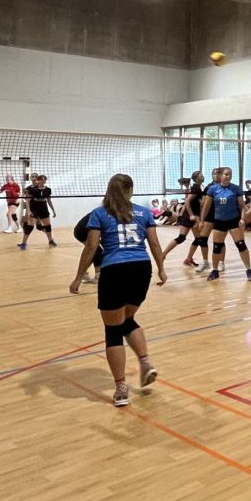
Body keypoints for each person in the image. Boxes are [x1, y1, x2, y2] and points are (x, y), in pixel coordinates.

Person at [69, 173, 167, 407]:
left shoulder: (99, 214)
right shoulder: (144, 213)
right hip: (141, 269)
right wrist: (162, 269)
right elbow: (154, 243)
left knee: (113, 330)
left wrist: (78, 277)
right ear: (130, 190)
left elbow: (91, 246)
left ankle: (121, 389)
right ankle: (145, 362)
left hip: (115, 270)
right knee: (127, 320)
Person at [201, 167, 251, 281]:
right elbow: (206, 207)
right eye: (226, 174)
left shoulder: (236, 189)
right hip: (219, 221)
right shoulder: (213, 189)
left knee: (241, 245)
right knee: (217, 247)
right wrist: (201, 221)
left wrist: (243, 219)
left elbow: (242, 206)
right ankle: (215, 271)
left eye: (230, 174)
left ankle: (249, 270)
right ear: (220, 176)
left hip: (233, 220)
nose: (228, 176)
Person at [178, 172, 210, 270]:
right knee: (181, 238)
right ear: (196, 178)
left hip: (195, 216)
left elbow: (196, 202)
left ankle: (188, 259)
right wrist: (191, 215)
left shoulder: (198, 187)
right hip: (192, 217)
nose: (203, 176)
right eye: (201, 175)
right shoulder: (196, 188)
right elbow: (187, 201)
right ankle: (163, 254)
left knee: (197, 239)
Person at [19, 174, 57, 248]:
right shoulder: (32, 189)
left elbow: (49, 200)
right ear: (38, 180)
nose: (42, 181)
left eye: (44, 179)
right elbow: (27, 201)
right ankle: (24, 243)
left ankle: (51, 241)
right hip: (34, 209)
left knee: (47, 226)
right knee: (29, 226)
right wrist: (28, 211)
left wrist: (53, 210)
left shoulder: (48, 190)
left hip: (43, 209)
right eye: (41, 179)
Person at [72, 210, 103, 286]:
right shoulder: (105, 214)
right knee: (96, 250)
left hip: (83, 229)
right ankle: (98, 274)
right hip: (82, 231)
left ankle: (84, 274)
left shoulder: (105, 212)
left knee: (96, 250)